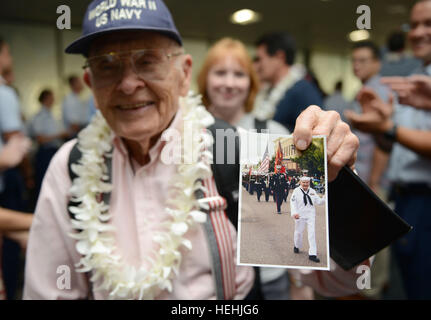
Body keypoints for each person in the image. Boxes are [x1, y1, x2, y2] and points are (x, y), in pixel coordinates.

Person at [24, 0, 367, 300]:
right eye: (107, 65)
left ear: (184, 73)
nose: (128, 84)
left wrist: (335, 182)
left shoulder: (237, 150)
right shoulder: (70, 165)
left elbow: (338, 279)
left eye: (147, 61)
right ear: (89, 83)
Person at [345, 0, 431, 299]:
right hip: (406, 197)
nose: (418, 32)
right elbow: (395, 144)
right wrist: (384, 126)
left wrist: (388, 129)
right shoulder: (416, 77)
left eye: (428, 24)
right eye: (414, 25)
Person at [253, 32, 323, 131]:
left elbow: (318, 133)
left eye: (260, 59)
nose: (257, 66)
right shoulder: (267, 91)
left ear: (279, 57)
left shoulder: (302, 90)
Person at [28, 89, 68, 197]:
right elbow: (40, 138)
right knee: (44, 182)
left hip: (54, 150)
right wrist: (58, 135)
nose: (54, 100)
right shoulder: (39, 117)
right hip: (45, 152)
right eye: (51, 97)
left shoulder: (52, 115)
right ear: (46, 99)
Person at [290, 176, 325, 263]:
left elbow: (319, 202)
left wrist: (325, 197)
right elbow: (293, 202)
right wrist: (294, 213)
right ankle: (296, 245)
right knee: (298, 232)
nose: (305, 184)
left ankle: (312, 254)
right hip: (300, 215)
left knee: (312, 234)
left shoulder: (312, 191)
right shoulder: (296, 191)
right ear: (300, 182)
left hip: (310, 215)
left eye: (307, 182)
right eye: (303, 182)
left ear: (309, 183)